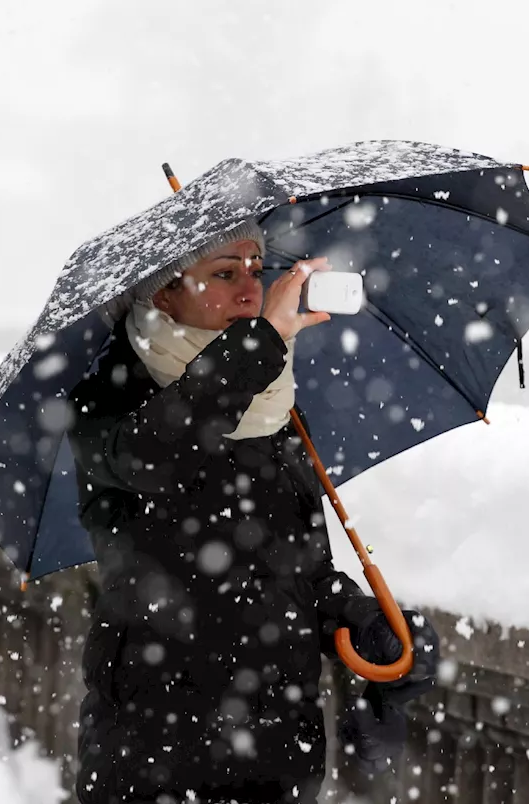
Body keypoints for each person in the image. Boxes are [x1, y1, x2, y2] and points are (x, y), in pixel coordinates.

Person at [66, 219, 440, 804]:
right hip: (152, 758)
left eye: (255, 270)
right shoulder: (111, 400)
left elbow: (299, 577)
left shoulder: (275, 412)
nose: (250, 290)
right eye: (223, 273)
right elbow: (160, 459)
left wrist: (363, 622)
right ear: (164, 293)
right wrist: (261, 342)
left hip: (277, 760)